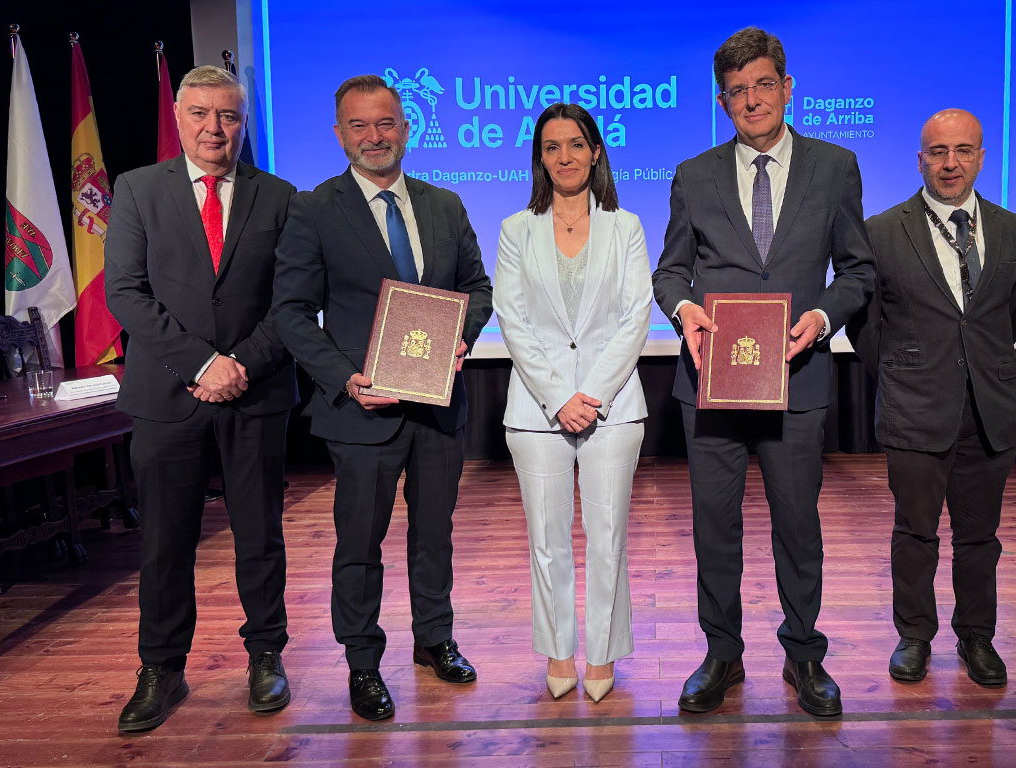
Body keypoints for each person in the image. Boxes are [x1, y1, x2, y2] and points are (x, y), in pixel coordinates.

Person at [652, 26, 875, 717]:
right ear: (722, 102)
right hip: (712, 383)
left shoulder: (835, 166)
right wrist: (684, 310)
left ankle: (804, 653)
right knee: (714, 527)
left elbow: (858, 270)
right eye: (737, 91)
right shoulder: (693, 174)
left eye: (763, 85)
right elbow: (670, 272)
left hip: (797, 378)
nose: (752, 100)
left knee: (798, 526)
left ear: (788, 88)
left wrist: (823, 318)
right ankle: (722, 653)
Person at [272, 74, 493, 720]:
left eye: (386, 122)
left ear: (406, 128)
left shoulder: (445, 205)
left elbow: (478, 289)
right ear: (339, 135)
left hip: (437, 407)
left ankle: (435, 639)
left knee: (433, 535)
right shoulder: (314, 208)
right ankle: (363, 662)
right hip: (360, 411)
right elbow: (290, 313)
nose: (375, 136)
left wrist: (462, 336)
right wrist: (345, 377)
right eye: (360, 125)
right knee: (358, 544)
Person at [106, 65, 298, 732]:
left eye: (229, 115)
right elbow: (125, 292)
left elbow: (292, 300)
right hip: (167, 393)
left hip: (255, 392)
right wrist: (202, 362)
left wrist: (239, 365)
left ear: (243, 123)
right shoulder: (137, 190)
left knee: (260, 536)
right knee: (165, 541)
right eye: (201, 114)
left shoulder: (280, 196)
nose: (215, 128)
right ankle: (161, 668)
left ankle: (266, 656)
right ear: (179, 116)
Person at [847, 109, 1016, 688]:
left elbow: (1011, 314)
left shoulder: (1011, 230)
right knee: (915, 533)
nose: (950, 163)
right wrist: (906, 372)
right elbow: (864, 325)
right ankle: (914, 636)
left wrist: (977, 367)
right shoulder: (881, 231)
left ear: (981, 158)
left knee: (980, 537)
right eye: (938, 152)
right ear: (920, 160)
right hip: (915, 407)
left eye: (963, 151)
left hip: (989, 408)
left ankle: (977, 637)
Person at [493, 103, 652, 703]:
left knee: (608, 537)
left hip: (613, 406)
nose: (565, 156)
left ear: (596, 152)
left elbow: (636, 317)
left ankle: (603, 654)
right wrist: (560, 398)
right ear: (539, 158)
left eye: (576, 144)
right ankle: (559, 652)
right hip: (537, 410)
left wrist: (592, 395)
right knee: (547, 541)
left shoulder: (626, 226)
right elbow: (513, 320)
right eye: (552, 146)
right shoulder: (515, 229)